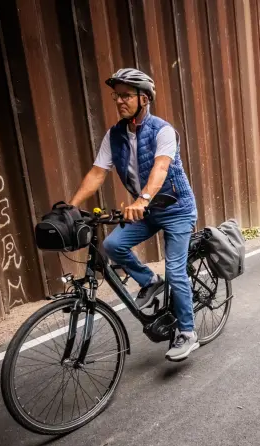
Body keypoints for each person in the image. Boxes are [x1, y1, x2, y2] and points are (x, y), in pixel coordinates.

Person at [69, 68, 199, 362]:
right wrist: (71, 205)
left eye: (126, 95)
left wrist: (141, 199)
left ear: (144, 98)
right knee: (113, 246)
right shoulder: (114, 135)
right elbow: (97, 173)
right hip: (147, 209)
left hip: (176, 209)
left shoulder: (163, 130)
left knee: (176, 269)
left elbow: (161, 168)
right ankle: (149, 282)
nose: (119, 101)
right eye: (117, 95)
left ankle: (187, 333)